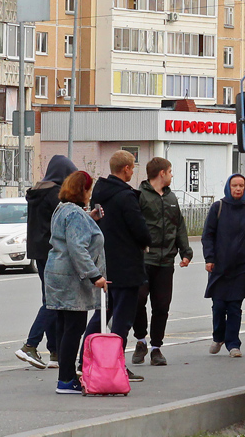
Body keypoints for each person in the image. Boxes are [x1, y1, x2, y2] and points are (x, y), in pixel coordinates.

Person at [83, 150, 149, 382]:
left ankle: (85, 358)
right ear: (126, 169)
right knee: (122, 318)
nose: (133, 171)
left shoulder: (99, 194)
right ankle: (115, 363)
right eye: (132, 167)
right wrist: (146, 241)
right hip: (127, 266)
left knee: (102, 312)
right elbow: (139, 229)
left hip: (105, 263)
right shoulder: (125, 196)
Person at [45, 171, 108, 394]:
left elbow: (69, 237)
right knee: (74, 328)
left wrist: (89, 218)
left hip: (57, 274)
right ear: (82, 190)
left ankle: (67, 376)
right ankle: (65, 380)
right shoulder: (75, 215)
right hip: (71, 278)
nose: (90, 194)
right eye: (88, 189)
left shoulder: (63, 209)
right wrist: (95, 275)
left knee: (64, 327)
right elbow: (77, 247)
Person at [131, 157, 193, 367]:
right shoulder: (139, 197)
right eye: (170, 171)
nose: (172, 175)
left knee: (162, 305)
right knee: (138, 301)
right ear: (162, 174)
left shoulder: (171, 198)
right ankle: (141, 340)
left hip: (166, 261)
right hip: (144, 259)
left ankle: (156, 348)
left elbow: (179, 226)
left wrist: (186, 251)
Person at [16, 154, 76, 370]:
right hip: (53, 251)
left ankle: (55, 352)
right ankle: (30, 345)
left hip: (38, 251)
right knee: (54, 301)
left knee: (49, 298)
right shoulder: (55, 195)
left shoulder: (37, 191)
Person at [203, 173, 245, 358]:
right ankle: (218, 337)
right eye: (234, 185)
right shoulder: (217, 208)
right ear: (228, 187)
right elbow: (207, 235)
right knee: (219, 306)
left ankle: (233, 344)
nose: (238, 189)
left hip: (240, 267)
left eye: (241, 185)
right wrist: (209, 258)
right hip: (219, 266)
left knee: (235, 307)